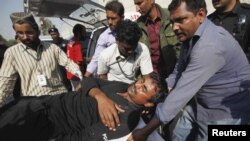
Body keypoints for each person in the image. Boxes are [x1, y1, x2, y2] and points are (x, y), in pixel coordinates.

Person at [127, 0, 250, 141]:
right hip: (199, 104)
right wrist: (157, 91)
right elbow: (179, 71)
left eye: (180, 20)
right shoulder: (190, 36)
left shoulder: (210, 46)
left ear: (201, 15)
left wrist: (145, 131)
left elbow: (181, 93)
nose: (174, 27)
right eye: (172, 21)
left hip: (225, 115)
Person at [0, 77, 165, 141]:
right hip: (40, 102)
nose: (137, 85)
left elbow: (83, 138)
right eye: (141, 80)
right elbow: (88, 81)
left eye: (144, 89)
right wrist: (100, 97)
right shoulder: (122, 85)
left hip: (43, 122)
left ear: (149, 104)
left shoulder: (126, 119)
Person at [0, 12, 83, 108]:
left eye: (29, 32)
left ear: (38, 31)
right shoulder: (12, 53)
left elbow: (68, 63)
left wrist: (80, 76)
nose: (25, 37)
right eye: (20, 33)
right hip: (33, 105)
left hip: (59, 100)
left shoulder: (52, 48)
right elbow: (5, 83)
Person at [134, 0, 180, 87]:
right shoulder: (137, 25)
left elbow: (182, 47)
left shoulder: (172, 16)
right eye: (135, 4)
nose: (137, 9)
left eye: (139, 3)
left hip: (175, 75)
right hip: (151, 79)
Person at [97, 19, 153, 84]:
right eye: (127, 49)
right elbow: (102, 78)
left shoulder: (142, 49)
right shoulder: (105, 55)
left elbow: (147, 77)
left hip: (134, 89)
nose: (131, 51)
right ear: (117, 40)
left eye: (134, 47)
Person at [84, 0, 124, 77]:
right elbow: (96, 59)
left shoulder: (130, 31)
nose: (109, 22)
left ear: (122, 17)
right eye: (108, 18)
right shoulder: (104, 37)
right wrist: (85, 78)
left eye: (113, 18)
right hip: (114, 77)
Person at [48, 27, 72, 91]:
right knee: (63, 81)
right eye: (52, 35)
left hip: (68, 64)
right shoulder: (50, 45)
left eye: (55, 34)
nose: (53, 36)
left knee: (71, 80)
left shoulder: (66, 42)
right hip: (59, 66)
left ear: (58, 34)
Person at [66, 24, 86, 91]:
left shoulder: (71, 41)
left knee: (74, 90)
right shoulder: (77, 44)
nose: (85, 33)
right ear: (79, 33)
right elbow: (78, 61)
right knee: (79, 93)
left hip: (70, 73)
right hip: (76, 74)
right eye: (84, 31)